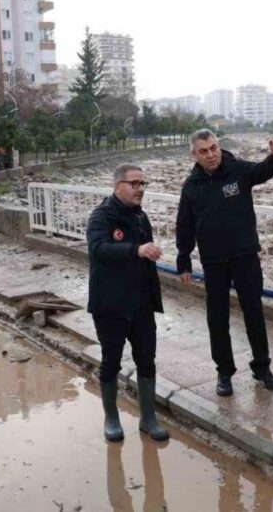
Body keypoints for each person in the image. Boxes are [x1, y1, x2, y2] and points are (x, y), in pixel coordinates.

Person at [176, 130, 273, 397]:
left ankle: (262, 368)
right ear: (194, 154)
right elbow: (185, 226)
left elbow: (261, 171)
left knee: (253, 314)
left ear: (219, 146)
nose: (211, 155)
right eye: (204, 151)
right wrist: (184, 260)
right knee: (217, 318)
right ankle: (224, 372)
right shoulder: (191, 186)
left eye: (213, 148)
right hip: (214, 262)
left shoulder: (237, 170)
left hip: (245, 257)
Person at [86, 163, 169, 443]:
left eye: (143, 184)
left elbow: (144, 254)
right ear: (117, 186)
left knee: (147, 359)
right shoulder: (101, 216)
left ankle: (148, 418)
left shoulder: (140, 217)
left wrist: (149, 251)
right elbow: (99, 249)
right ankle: (111, 417)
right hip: (110, 304)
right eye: (134, 184)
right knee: (111, 361)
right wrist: (136, 249)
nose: (140, 189)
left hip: (142, 303)